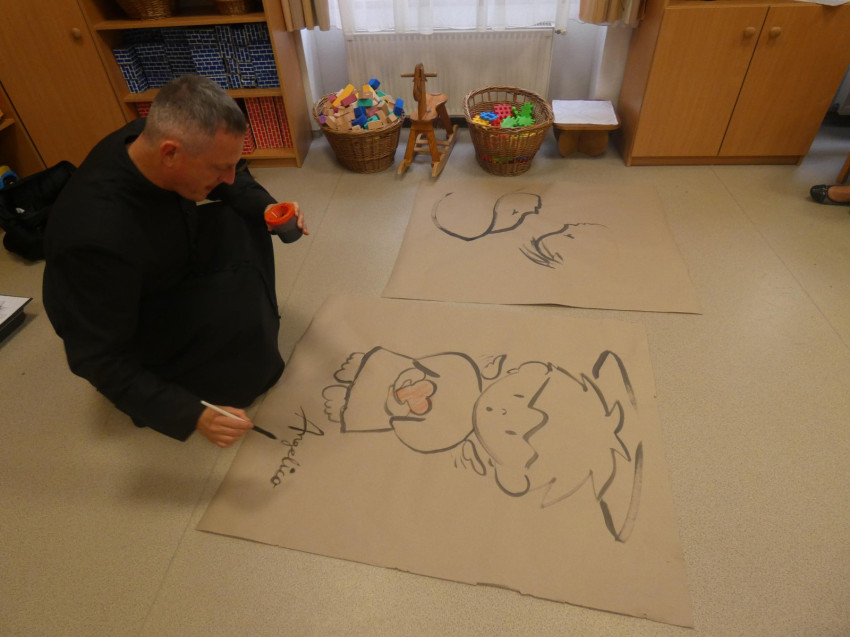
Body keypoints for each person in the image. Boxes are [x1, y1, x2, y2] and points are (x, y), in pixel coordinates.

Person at [43, 74, 307, 448]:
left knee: (243, 218)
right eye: (218, 168)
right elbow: (97, 357)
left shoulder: (147, 136)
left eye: (232, 163)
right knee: (241, 369)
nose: (229, 176)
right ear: (170, 154)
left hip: (164, 252)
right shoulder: (95, 238)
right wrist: (190, 413)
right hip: (134, 310)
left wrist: (266, 209)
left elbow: (233, 180)